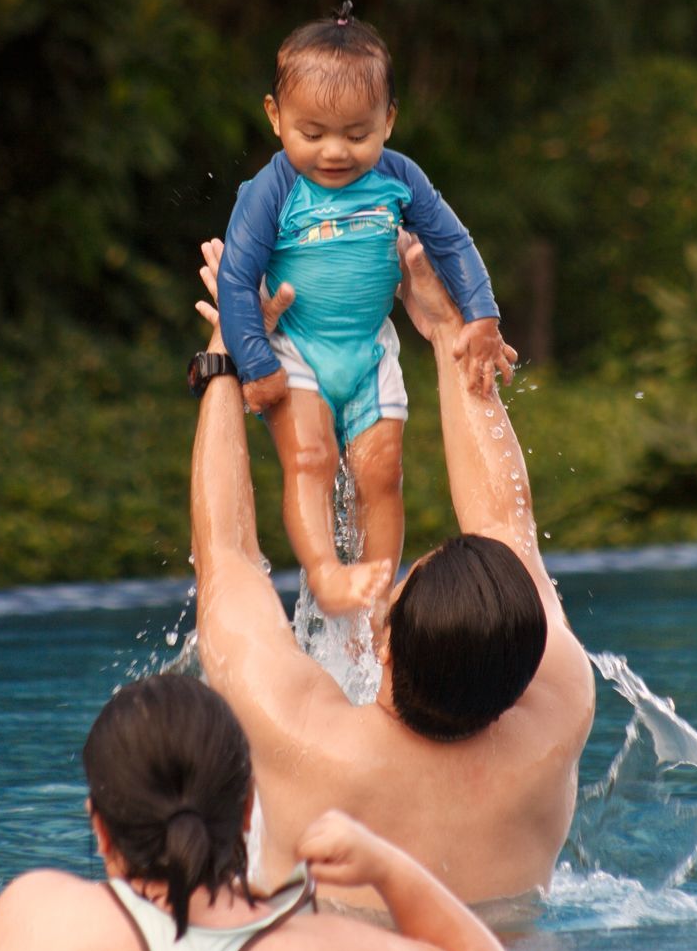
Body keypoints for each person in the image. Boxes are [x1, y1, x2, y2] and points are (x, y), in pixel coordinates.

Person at [191, 234, 595, 913]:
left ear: (383, 641)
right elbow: (505, 526)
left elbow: (226, 557)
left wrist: (226, 361)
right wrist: (446, 333)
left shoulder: (298, 735)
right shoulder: (557, 709)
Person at [216, 1, 514, 616]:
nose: (335, 152)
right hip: (296, 348)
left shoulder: (399, 179)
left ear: (389, 120)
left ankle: (378, 597)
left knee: (381, 474)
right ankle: (326, 574)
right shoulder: (273, 189)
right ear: (275, 118)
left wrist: (482, 316)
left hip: (370, 350)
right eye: (313, 133)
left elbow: (452, 242)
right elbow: (237, 276)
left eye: (357, 135)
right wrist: (254, 363)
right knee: (311, 459)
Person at [0, 673, 510, 951]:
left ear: (101, 828)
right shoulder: (324, 949)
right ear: (248, 806)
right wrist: (388, 867)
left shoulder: (38, 917)